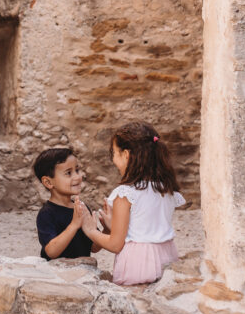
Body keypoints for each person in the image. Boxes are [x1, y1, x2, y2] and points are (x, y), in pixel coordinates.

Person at [82, 121, 185, 285]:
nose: (113, 159)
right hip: (167, 256)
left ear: (126, 155)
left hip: (138, 263)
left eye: (114, 153)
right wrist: (113, 224)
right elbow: (146, 225)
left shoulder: (125, 194)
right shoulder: (165, 188)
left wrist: (90, 231)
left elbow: (115, 244)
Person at [33, 147, 94, 260]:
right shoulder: (47, 214)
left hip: (82, 273)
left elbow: (94, 247)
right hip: (57, 274)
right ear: (48, 182)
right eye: (68, 173)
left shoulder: (81, 208)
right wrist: (74, 225)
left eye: (77, 170)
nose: (77, 177)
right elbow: (51, 252)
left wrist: (106, 229)